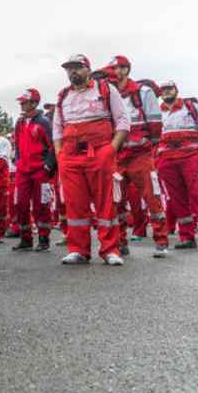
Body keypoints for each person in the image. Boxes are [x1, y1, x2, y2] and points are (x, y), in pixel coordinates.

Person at [53, 54, 130, 265]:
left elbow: (123, 120)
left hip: (100, 153)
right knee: (74, 205)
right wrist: (60, 155)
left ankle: (110, 250)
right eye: (69, 69)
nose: (72, 72)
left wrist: (111, 149)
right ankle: (78, 249)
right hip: (70, 157)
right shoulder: (63, 96)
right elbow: (57, 128)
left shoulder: (105, 89)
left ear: (87, 69)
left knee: (106, 202)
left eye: (77, 67)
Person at [105, 56, 170, 257]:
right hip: (117, 156)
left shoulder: (143, 92)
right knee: (116, 200)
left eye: (118, 68)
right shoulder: (107, 93)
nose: (114, 73)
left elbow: (155, 122)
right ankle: (121, 242)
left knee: (152, 197)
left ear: (126, 70)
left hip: (141, 155)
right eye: (112, 69)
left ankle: (161, 241)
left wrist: (150, 144)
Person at [156, 81, 198, 250]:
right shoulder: (157, 111)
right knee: (177, 200)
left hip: (191, 158)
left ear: (176, 90)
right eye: (163, 90)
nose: (166, 92)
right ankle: (187, 237)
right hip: (167, 160)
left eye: (169, 89)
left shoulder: (190, 106)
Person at [12, 88, 55, 252]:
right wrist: (18, 160)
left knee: (41, 204)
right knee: (20, 204)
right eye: (21, 102)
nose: (22, 105)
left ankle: (44, 238)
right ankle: (25, 239)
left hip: (40, 170)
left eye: (25, 102)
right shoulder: (19, 122)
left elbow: (52, 146)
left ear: (34, 103)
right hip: (23, 170)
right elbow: (17, 144)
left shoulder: (43, 122)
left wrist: (47, 165)